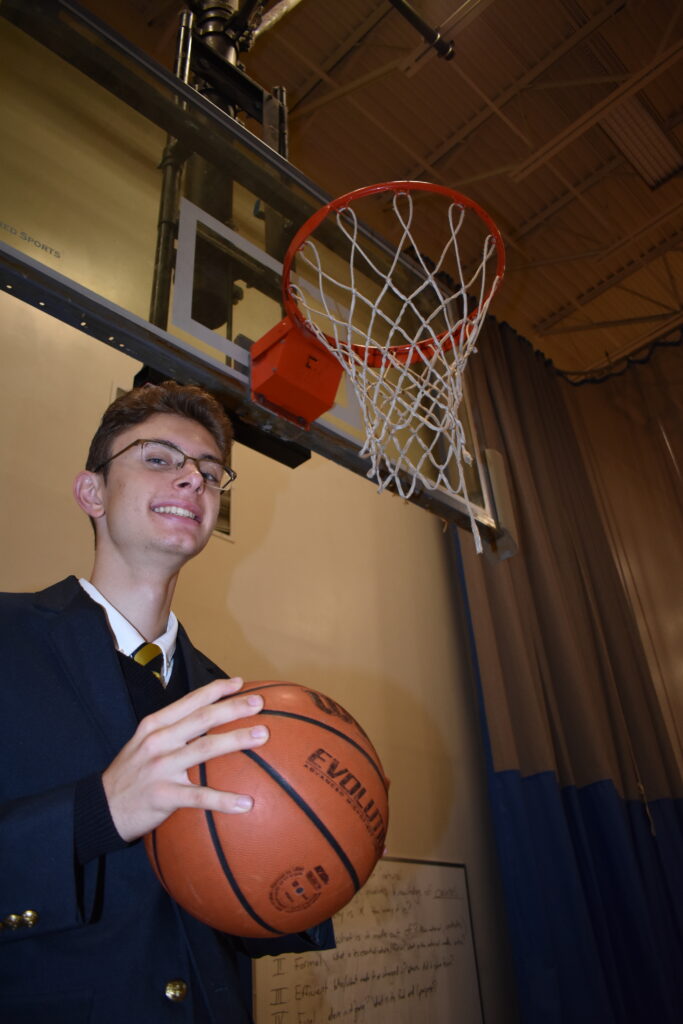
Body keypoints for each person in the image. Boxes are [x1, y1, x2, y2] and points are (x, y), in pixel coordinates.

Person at [0, 381, 333, 1023]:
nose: (193, 480)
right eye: (158, 458)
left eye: (210, 472)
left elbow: (232, 914)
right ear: (92, 493)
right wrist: (97, 813)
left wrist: (319, 854)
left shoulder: (235, 701)